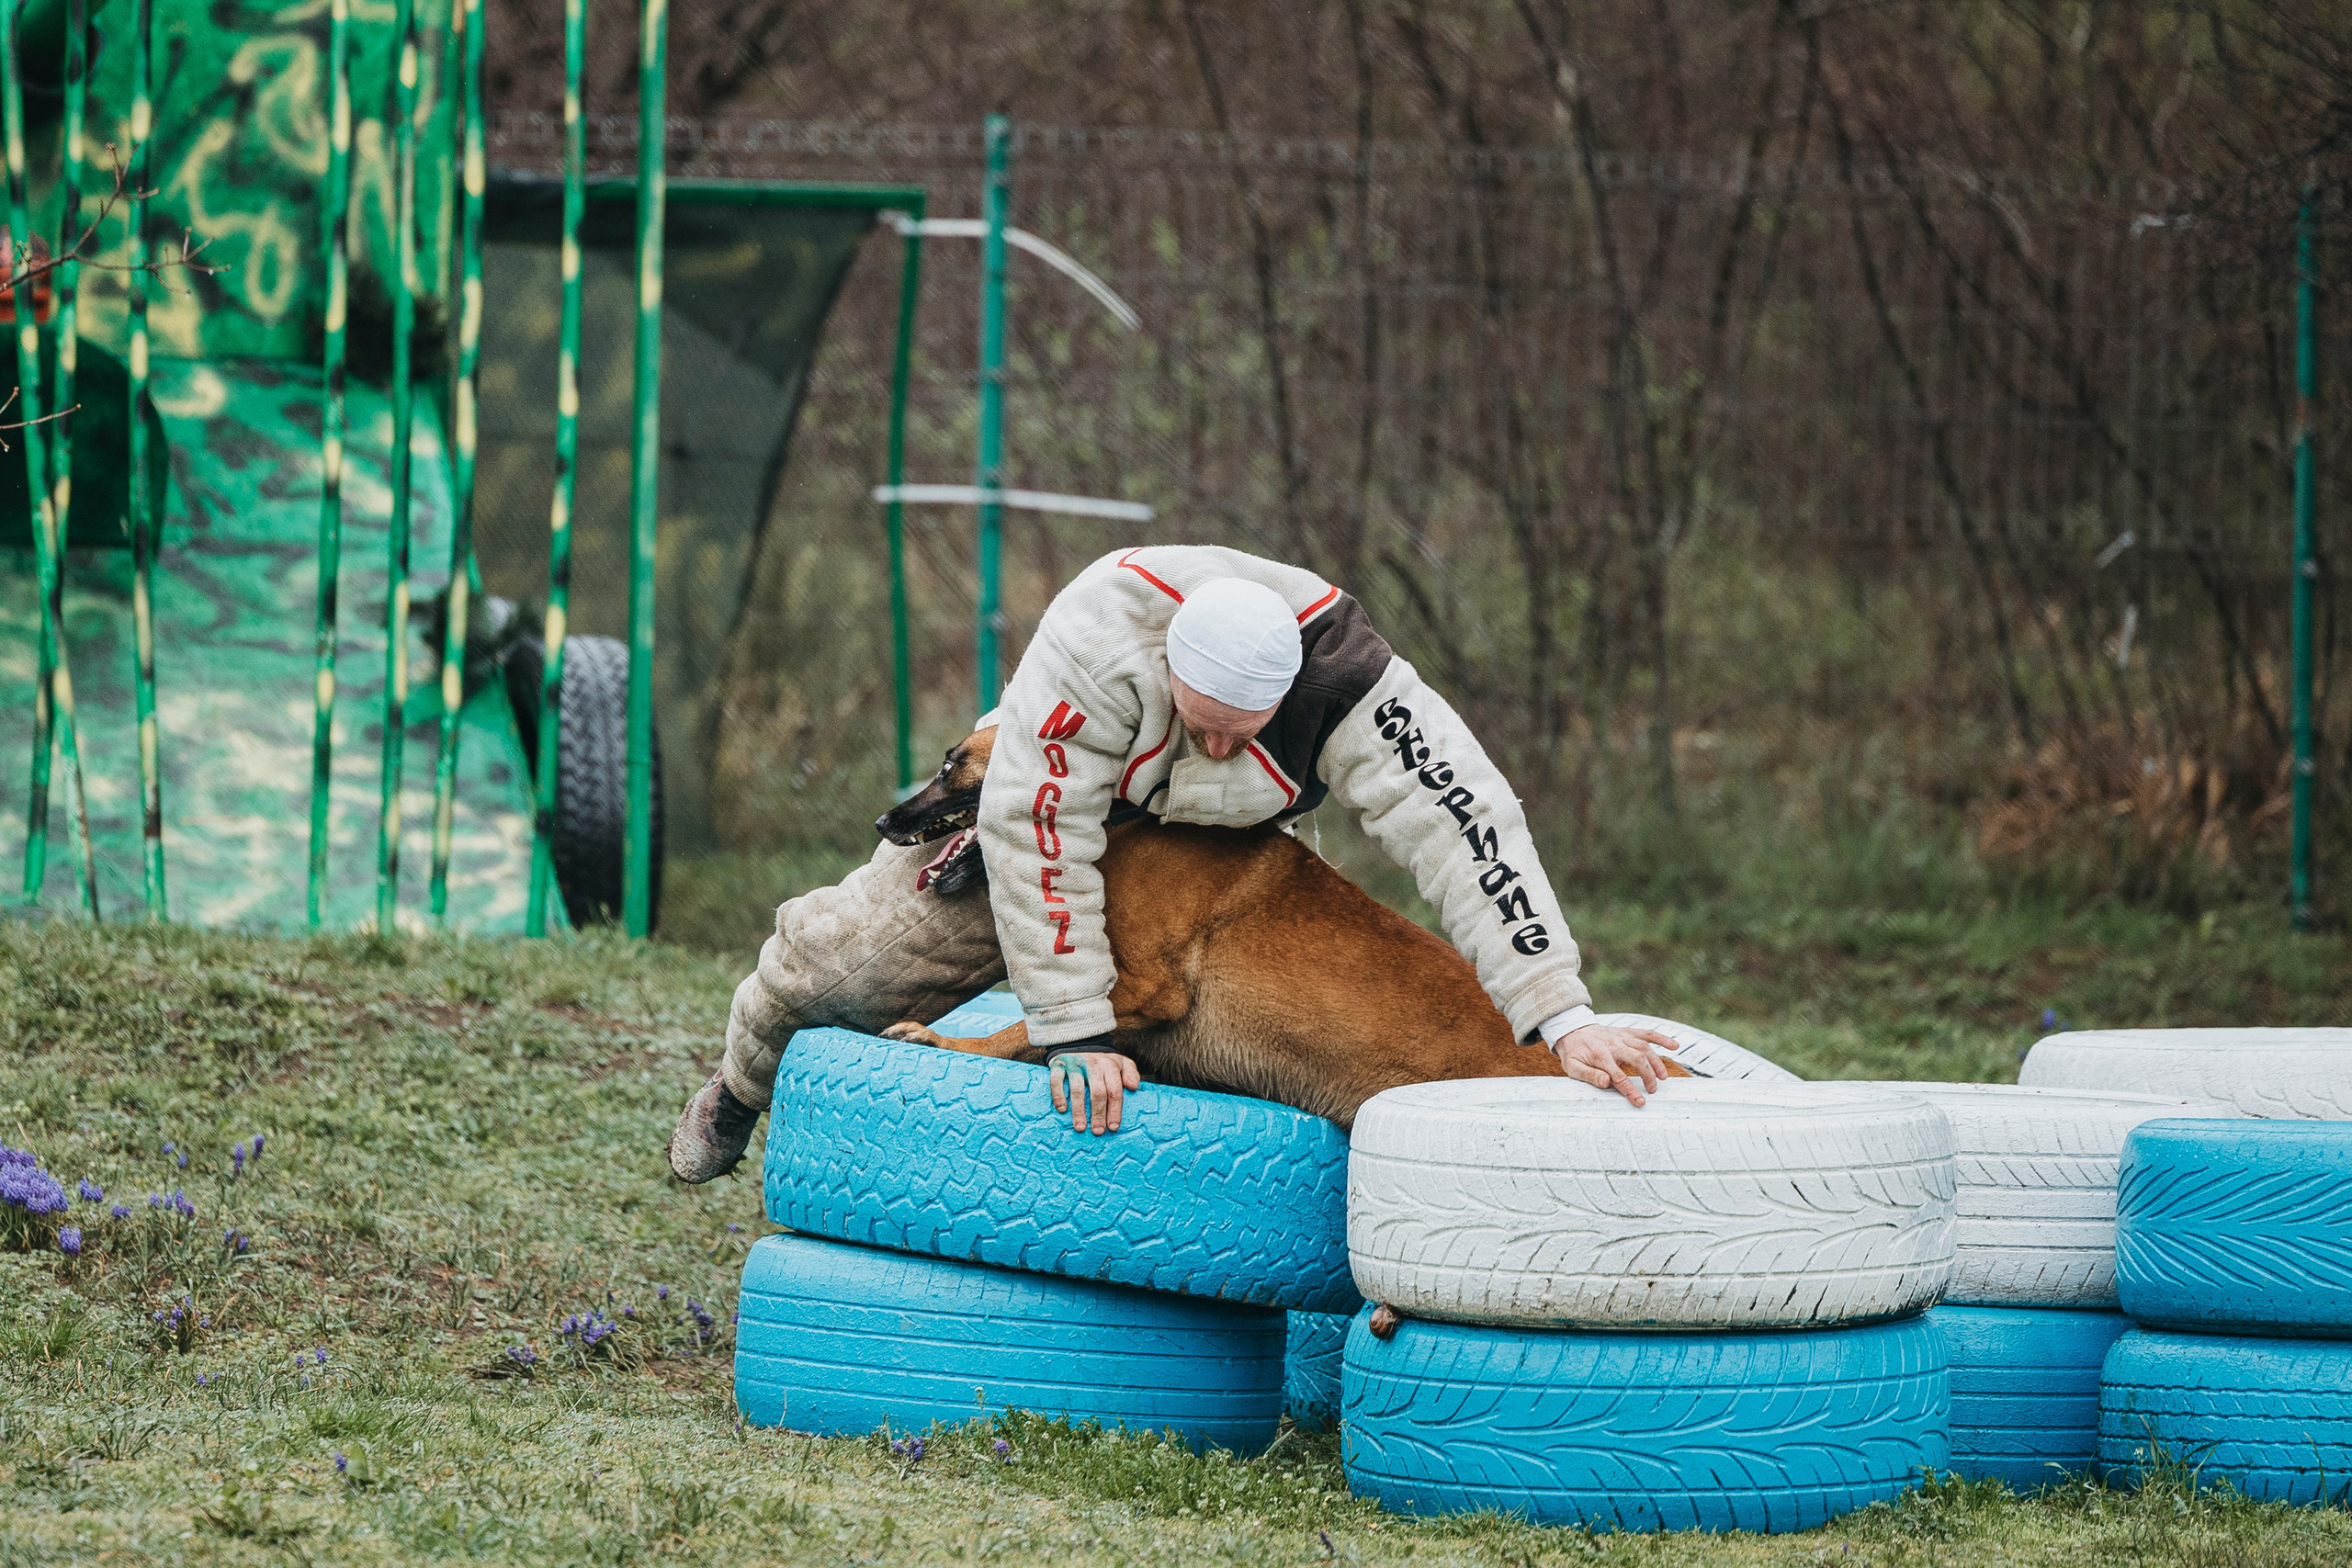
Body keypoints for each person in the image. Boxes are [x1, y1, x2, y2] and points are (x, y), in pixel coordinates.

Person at [667, 545, 1674, 1182]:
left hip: (1204, 857)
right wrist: (1069, 1030)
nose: (1227, 750)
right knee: (836, 963)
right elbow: (1033, 834)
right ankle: (738, 1089)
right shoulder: (1090, 649)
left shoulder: (1356, 682)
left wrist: (1558, 1011)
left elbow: (1469, 826)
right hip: (1043, 822)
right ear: (1163, 677)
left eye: (1251, 733)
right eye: (1205, 729)